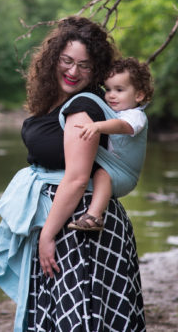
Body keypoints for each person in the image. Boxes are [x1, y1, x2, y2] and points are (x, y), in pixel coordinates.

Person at [0, 16, 145, 332]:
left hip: (79, 227)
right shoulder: (55, 103)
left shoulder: (82, 108)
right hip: (65, 218)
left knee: (79, 319)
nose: (74, 71)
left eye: (85, 66)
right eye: (67, 61)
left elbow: (76, 178)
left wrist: (48, 234)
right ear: (53, 59)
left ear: (97, 70)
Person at [66, 57, 154, 232]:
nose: (111, 95)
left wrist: (97, 126)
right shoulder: (114, 112)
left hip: (124, 174)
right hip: (114, 167)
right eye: (108, 89)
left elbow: (123, 127)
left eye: (119, 90)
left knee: (102, 174)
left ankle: (94, 216)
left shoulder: (136, 115)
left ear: (139, 95)